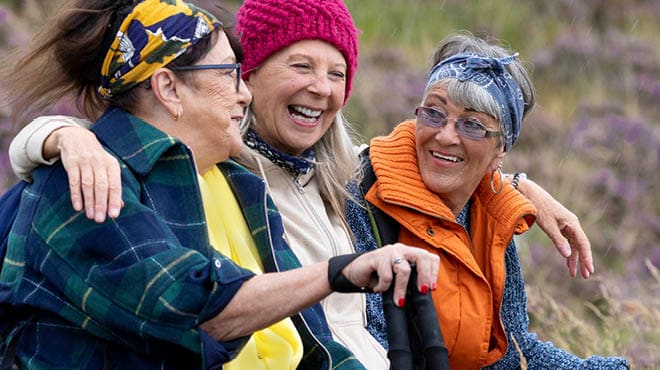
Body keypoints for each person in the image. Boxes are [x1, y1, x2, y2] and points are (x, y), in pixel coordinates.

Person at [7, 0, 596, 367]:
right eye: (299, 65)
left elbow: (316, 341)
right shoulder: (124, 180)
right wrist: (62, 136)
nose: (322, 86)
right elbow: (198, 309)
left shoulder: (316, 177)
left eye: (337, 72)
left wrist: (514, 185)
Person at [351, 33, 629, 369]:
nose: (446, 136)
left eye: (472, 125)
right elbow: (364, 345)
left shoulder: (488, 213)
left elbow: (510, 351)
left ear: (500, 151)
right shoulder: (363, 199)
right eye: (434, 114)